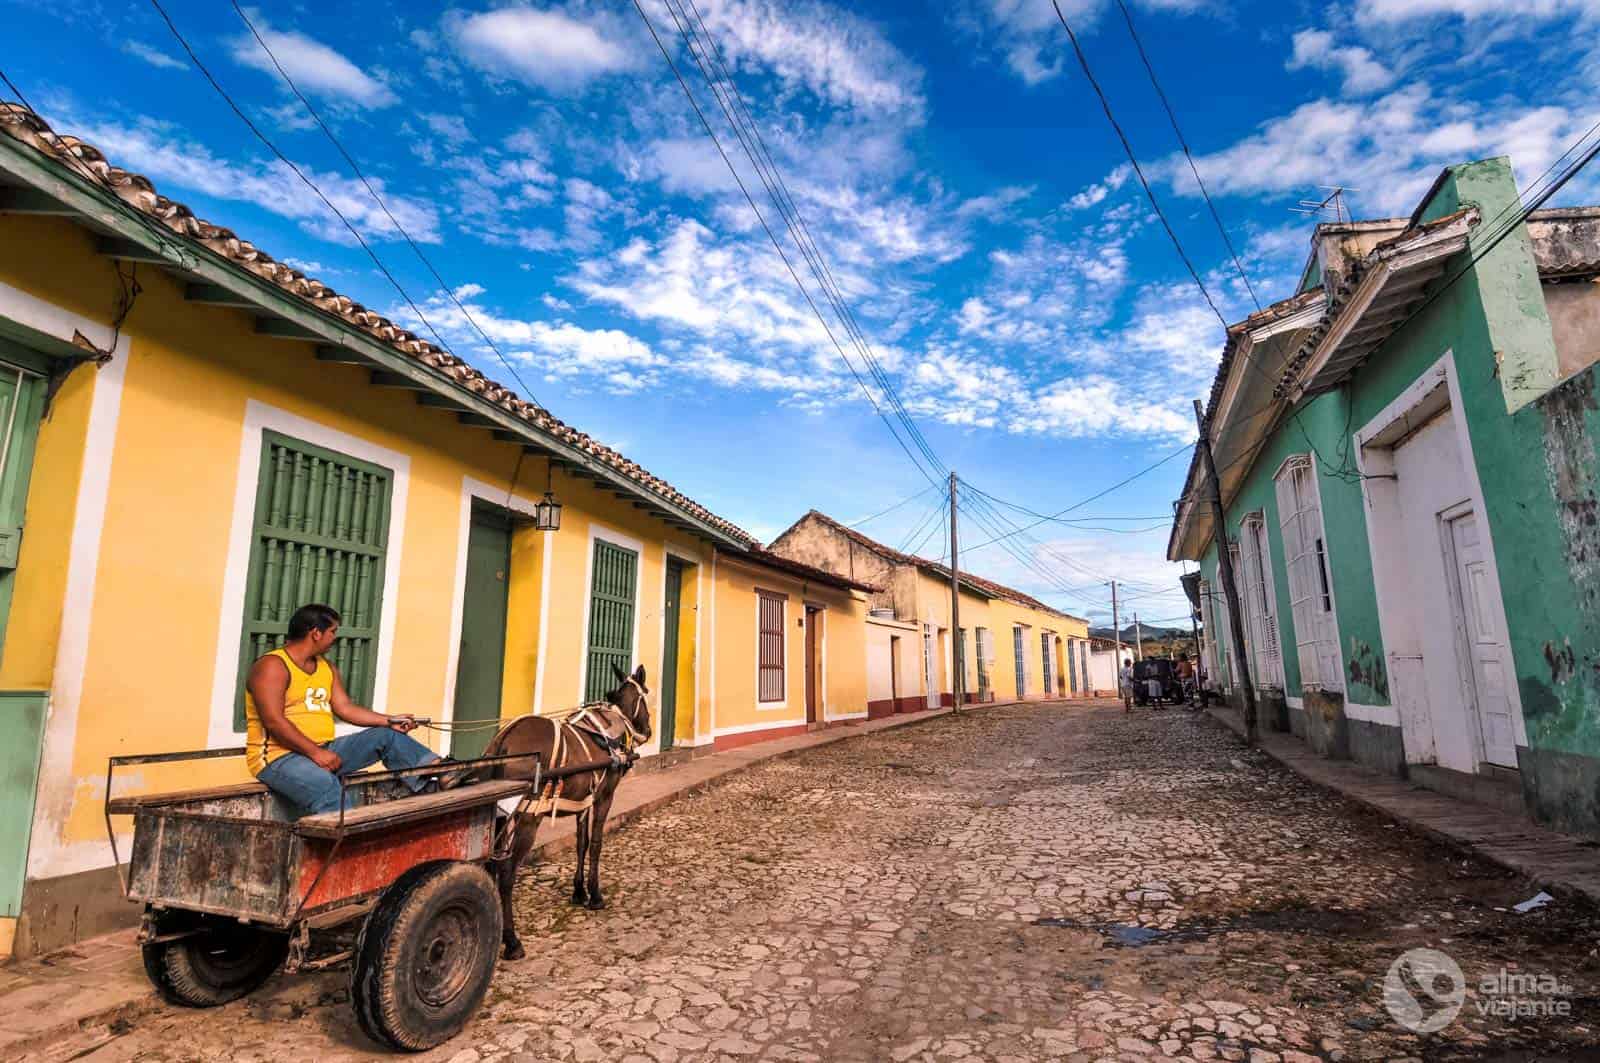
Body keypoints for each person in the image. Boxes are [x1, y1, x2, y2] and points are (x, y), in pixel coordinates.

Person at [245, 603, 444, 816]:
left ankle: (444, 775)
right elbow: (274, 721)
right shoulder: (272, 665)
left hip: (323, 749)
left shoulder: (326, 667)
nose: (334, 638)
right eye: (332, 632)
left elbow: (345, 708)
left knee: (388, 736)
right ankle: (346, 848)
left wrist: (389, 720)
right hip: (279, 758)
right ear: (316, 633)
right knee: (329, 789)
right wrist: (316, 753)